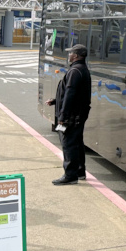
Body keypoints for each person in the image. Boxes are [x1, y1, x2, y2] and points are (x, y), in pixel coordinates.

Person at [46, 45, 91, 185]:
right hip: (78, 114)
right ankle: (80, 171)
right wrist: (55, 101)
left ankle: (70, 175)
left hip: (72, 116)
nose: (69, 55)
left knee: (68, 143)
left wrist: (63, 117)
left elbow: (70, 94)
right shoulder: (81, 69)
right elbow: (72, 94)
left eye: (70, 53)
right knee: (77, 142)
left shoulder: (75, 71)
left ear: (76, 56)